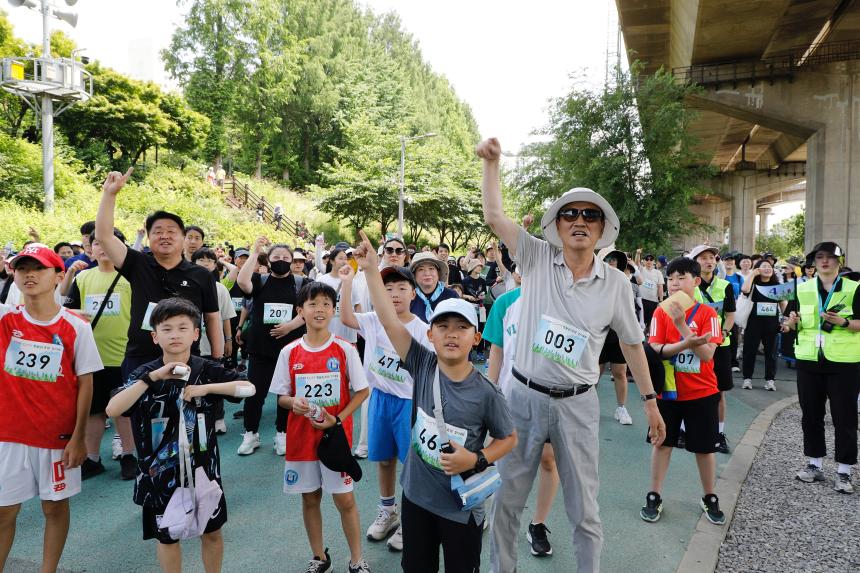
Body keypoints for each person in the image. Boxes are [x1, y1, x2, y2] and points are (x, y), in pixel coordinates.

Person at [477, 137, 664, 573]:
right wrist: (492, 164)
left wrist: (651, 403)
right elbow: (494, 216)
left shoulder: (617, 283)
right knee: (507, 502)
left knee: (585, 510)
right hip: (522, 400)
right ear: (557, 226)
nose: (579, 221)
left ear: (602, 230)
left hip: (579, 404)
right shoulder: (538, 257)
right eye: (570, 214)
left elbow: (633, 344)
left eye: (590, 216)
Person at [354, 230, 516, 573]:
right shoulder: (423, 363)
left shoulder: (487, 391)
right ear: (430, 334)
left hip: (461, 507)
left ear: (476, 338)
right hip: (415, 498)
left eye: (462, 327)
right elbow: (386, 318)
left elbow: (508, 438)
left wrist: (477, 457)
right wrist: (370, 270)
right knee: (416, 566)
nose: (451, 334)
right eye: (443, 327)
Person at [105, 297, 255, 573]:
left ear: (196, 334)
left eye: (183, 328)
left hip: (203, 470)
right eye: (167, 328)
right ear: (155, 336)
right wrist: (153, 378)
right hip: (158, 472)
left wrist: (206, 390)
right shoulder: (145, 373)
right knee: (167, 535)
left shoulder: (206, 369)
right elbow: (113, 407)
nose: (175, 334)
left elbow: (248, 388)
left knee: (212, 531)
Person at [0, 245, 102, 573]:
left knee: (54, 508)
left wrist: (78, 438)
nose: (29, 274)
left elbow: (85, 383)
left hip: (56, 437)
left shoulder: (76, 327)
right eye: (22, 268)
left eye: (39, 268)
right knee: (3, 511)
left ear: (59, 276)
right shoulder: (5, 319)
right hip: (9, 435)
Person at [270, 282, 371, 573]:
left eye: (327, 304)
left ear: (334, 310)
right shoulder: (289, 352)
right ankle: (319, 556)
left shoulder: (345, 349)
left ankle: (356, 559)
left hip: (335, 440)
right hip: (301, 441)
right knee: (310, 497)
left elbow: (362, 391)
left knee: (345, 500)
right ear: (300, 311)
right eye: (313, 304)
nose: (320, 310)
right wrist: (295, 404)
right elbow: (282, 398)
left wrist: (337, 419)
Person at [95, 169, 224, 379]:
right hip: (140, 357)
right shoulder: (137, 263)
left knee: (185, 410)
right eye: (157, 231)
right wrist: (109, 195)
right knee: (134, 411)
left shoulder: (201, 274)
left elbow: (212, 317)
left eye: (172, 231)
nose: (164, 236)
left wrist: (217, 359)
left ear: (183, 238)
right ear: (148, 238)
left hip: (186, 358)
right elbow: (103, 235)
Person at [339, 263, 432, 552]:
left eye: (401, 288)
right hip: (379, 399)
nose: (394, 294)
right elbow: (345, 317)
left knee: (412, 465)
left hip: (409, 404)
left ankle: (411, 519)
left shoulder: (422, 330)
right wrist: (346, 282)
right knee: (384, 460)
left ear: (413, 294)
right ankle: (388, 510)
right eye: (387, 288)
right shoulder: (373, 320)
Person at [641, 256, 726, 525]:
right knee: (662, 444)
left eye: (682, 278)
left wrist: (680, 328)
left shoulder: (708, 314)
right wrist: (683, 344)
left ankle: (709, 496)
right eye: (670, 279)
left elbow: (707, 355)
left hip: (702, 392)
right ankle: (654, 494)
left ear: (696, 281)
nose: (675, 284)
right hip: (667, 392)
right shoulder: (658, 312)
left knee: (704, 449)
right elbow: (654, 349)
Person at [484, 264, 560, 558]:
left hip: (551, 398)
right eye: (526, 266)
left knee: (549, 460)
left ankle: (538, 523)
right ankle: (494, 513)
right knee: (502, 457)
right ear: (519, 273)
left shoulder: (562, 302)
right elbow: (497, 350)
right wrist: (490, 392)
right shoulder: (505, 302)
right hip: (510, 398)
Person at [782, 242, 860, 494]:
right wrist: (791, 323)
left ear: (839, 261)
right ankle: (814, 464)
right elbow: (794, 323)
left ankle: (844, 471)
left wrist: (844, 322)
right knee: (811, 414)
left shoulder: (854, 288)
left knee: (844, 417)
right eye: (820, 257)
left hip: (844, 361)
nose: (825, 261)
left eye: (830, 257)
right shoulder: (802, 288)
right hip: (808, 359)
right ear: (813, 263)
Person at [64, 230, 138, 480]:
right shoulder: (84, 277)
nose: (102, 247)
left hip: (124, 355)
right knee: (94, 411)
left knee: (123, 410)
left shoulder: (130, 277)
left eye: (108, 242)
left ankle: (129, 454)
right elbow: (69, 311)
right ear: (90, 248)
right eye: (96, 243)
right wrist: (77, 315)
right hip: (91, 357)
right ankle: (92, 458)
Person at [235, 239, 305, 456]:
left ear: (292, 261)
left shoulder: (302, 283)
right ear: (269, 260)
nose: (281, 261)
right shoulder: (260, 280)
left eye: (286, 258)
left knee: (285, 393)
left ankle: (282, 433)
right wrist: (255, 254)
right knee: (255, 394)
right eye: (276, 258)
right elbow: (242, 282)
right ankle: (251, 433)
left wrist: (289, 327)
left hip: (290, 349)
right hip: (260, 349)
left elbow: (309, 310)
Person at [689, 245, 735, 455]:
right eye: (703, 258)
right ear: (695, 262)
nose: (708, 261)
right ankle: (684, 431)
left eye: (711, 258)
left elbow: (730, 315)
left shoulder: (725, 286)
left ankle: (719, 433)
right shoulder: (688, 285)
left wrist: (723, 332)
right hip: (693, 345)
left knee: (719, 392)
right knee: (688, 387)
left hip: (720, 346)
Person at [597, 248, 635, 426]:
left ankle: (621, 408)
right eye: (608, 259)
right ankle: (588, 408)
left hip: (618, 337)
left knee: (620, 372)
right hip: (597, 337)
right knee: (594, 374)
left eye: (615, 260)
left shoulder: (624, 283)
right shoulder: (592, 283)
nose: (612, 262)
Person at [740, 259, 785, 390]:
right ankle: (747, 379)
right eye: (764, 266)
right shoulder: (753, 284)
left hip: (772, 325)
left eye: (770, 266)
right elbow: (744, 289)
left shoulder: (777, 286)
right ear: (758, 269)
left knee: (771, 353)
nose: (768, 268)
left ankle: (770, 380)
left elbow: (783, 305)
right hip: (753, 323)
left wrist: (785, 321)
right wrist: (752, 274)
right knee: (750, 352)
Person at [409, 252, 459, 322]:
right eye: (421, 269)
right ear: (414, 275)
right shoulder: (409, 297)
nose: (427, 273)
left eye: (431, 268)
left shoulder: (452, 296)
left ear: (438, 273)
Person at [723, 255, 744, 372]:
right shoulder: (720, 276)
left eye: (731, 261)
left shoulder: (739, 278)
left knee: (734, 338)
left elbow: (743, 294)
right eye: (726, 260)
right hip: (720, 311)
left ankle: (733, 363)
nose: (729, 262)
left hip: (734, 310)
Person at [635, 251, 665, 327]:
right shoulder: (641, 269)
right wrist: (638, 254)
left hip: (653, 300)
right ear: (644, 261)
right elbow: (637, 262)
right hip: (642, 299)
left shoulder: (658, 273)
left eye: (651, 259)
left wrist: (661, 300)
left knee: (651, 321)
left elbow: (660, 287)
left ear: (653, 261)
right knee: (641, 320)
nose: (649, 261)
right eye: (647, 259)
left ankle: (649, 334)